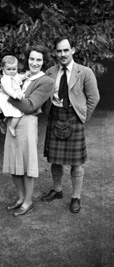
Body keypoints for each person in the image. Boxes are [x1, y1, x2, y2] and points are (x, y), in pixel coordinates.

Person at [41, 36, 100, 213]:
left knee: (76, 163)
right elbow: (43, 95)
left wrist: (83, 117)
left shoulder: (85, 72)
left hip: (74, 119)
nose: (62, 54)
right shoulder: (50, 72)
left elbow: (94, 98)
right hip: (55, 116)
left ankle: (76, 196)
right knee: (55, 160)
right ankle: (57, 190)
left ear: (73, 50)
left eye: (66, 50)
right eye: (59, 51)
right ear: (55, 53)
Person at [3, 45, 55, 216]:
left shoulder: (46, 81)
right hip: (13, 123)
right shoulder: (20, 76)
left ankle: (28, 201)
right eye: (32, 59)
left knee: (26, 165)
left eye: (38, 59)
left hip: (27, 124)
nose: (34, 63)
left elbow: (29, 106)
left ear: (43, 62)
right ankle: (19, 198)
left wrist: (6, 95)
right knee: (14, 163)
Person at [0, 55, 28, 137]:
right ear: (3, 69)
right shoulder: (5, 79)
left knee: (14, 112)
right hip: (7, 98)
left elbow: (19, 77)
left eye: (14, 69)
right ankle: (12, 127)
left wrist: (25, 76)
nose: (12, 71)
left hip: (13, 97)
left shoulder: (14, 75)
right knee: (17, 114)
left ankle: (7, 118)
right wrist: (15, 95)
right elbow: (8, 89)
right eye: (9, 69)